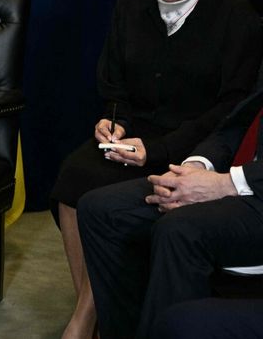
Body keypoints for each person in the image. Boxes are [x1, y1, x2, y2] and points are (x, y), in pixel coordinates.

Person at [50, 0, 261, 339]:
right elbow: (113, 85)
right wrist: (114, 122)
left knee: (119, 201)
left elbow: (230, 111)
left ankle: (91, 319)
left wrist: (160, 151)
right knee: (74, 177)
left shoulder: (236, 13)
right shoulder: (132, 1)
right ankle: (90, 310)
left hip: (193, 144)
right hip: (135, 136)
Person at [78, 87, 263, 338]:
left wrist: (225, 183)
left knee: (180, 229)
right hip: (240, 177)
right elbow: (239, 121)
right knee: (102, 209)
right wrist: (196, 166)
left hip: (252, 195)